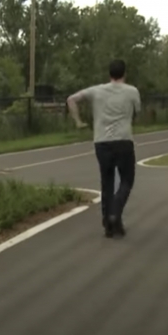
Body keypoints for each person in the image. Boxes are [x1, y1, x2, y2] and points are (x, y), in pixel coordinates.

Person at [66, 59, 141, 239]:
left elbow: (71, 99)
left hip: (102, 142)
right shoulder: (132, 91)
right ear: (124, 73)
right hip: (123, 140)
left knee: (106, 181)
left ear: (109, 74)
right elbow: (137, 112)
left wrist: (78, 121)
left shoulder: (96, 91)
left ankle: (110, 224)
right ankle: (115, 212)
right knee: (127, 180)